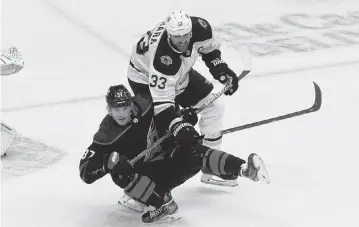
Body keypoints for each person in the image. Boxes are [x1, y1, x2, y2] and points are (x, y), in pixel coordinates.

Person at [79, 84, 270, 224]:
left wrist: (183, 120)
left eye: (124, 108)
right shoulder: (107, 135)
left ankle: (244, 169)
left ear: (130, 105)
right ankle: (161, 204)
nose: (120, 113)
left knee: (195, 149)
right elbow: (85, 172)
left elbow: (169, 111)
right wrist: (107, 162)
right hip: (146, 180)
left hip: (167, 159)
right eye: (115, 109)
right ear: (109, 110)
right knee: (119, 173)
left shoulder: (146, 104)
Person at [127, 10, 240, 186]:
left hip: (179, 73)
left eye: (186, 35)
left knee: (214, 106)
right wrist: (179, 126)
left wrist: (220, 69)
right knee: (160, 136)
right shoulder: (163, 59)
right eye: (177, 37)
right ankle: (139, 188)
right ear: (169, 33)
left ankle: (211, 166)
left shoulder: (200, 28)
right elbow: (163, 106)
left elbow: (210, 50)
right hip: (145, 77)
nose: (183, 41)